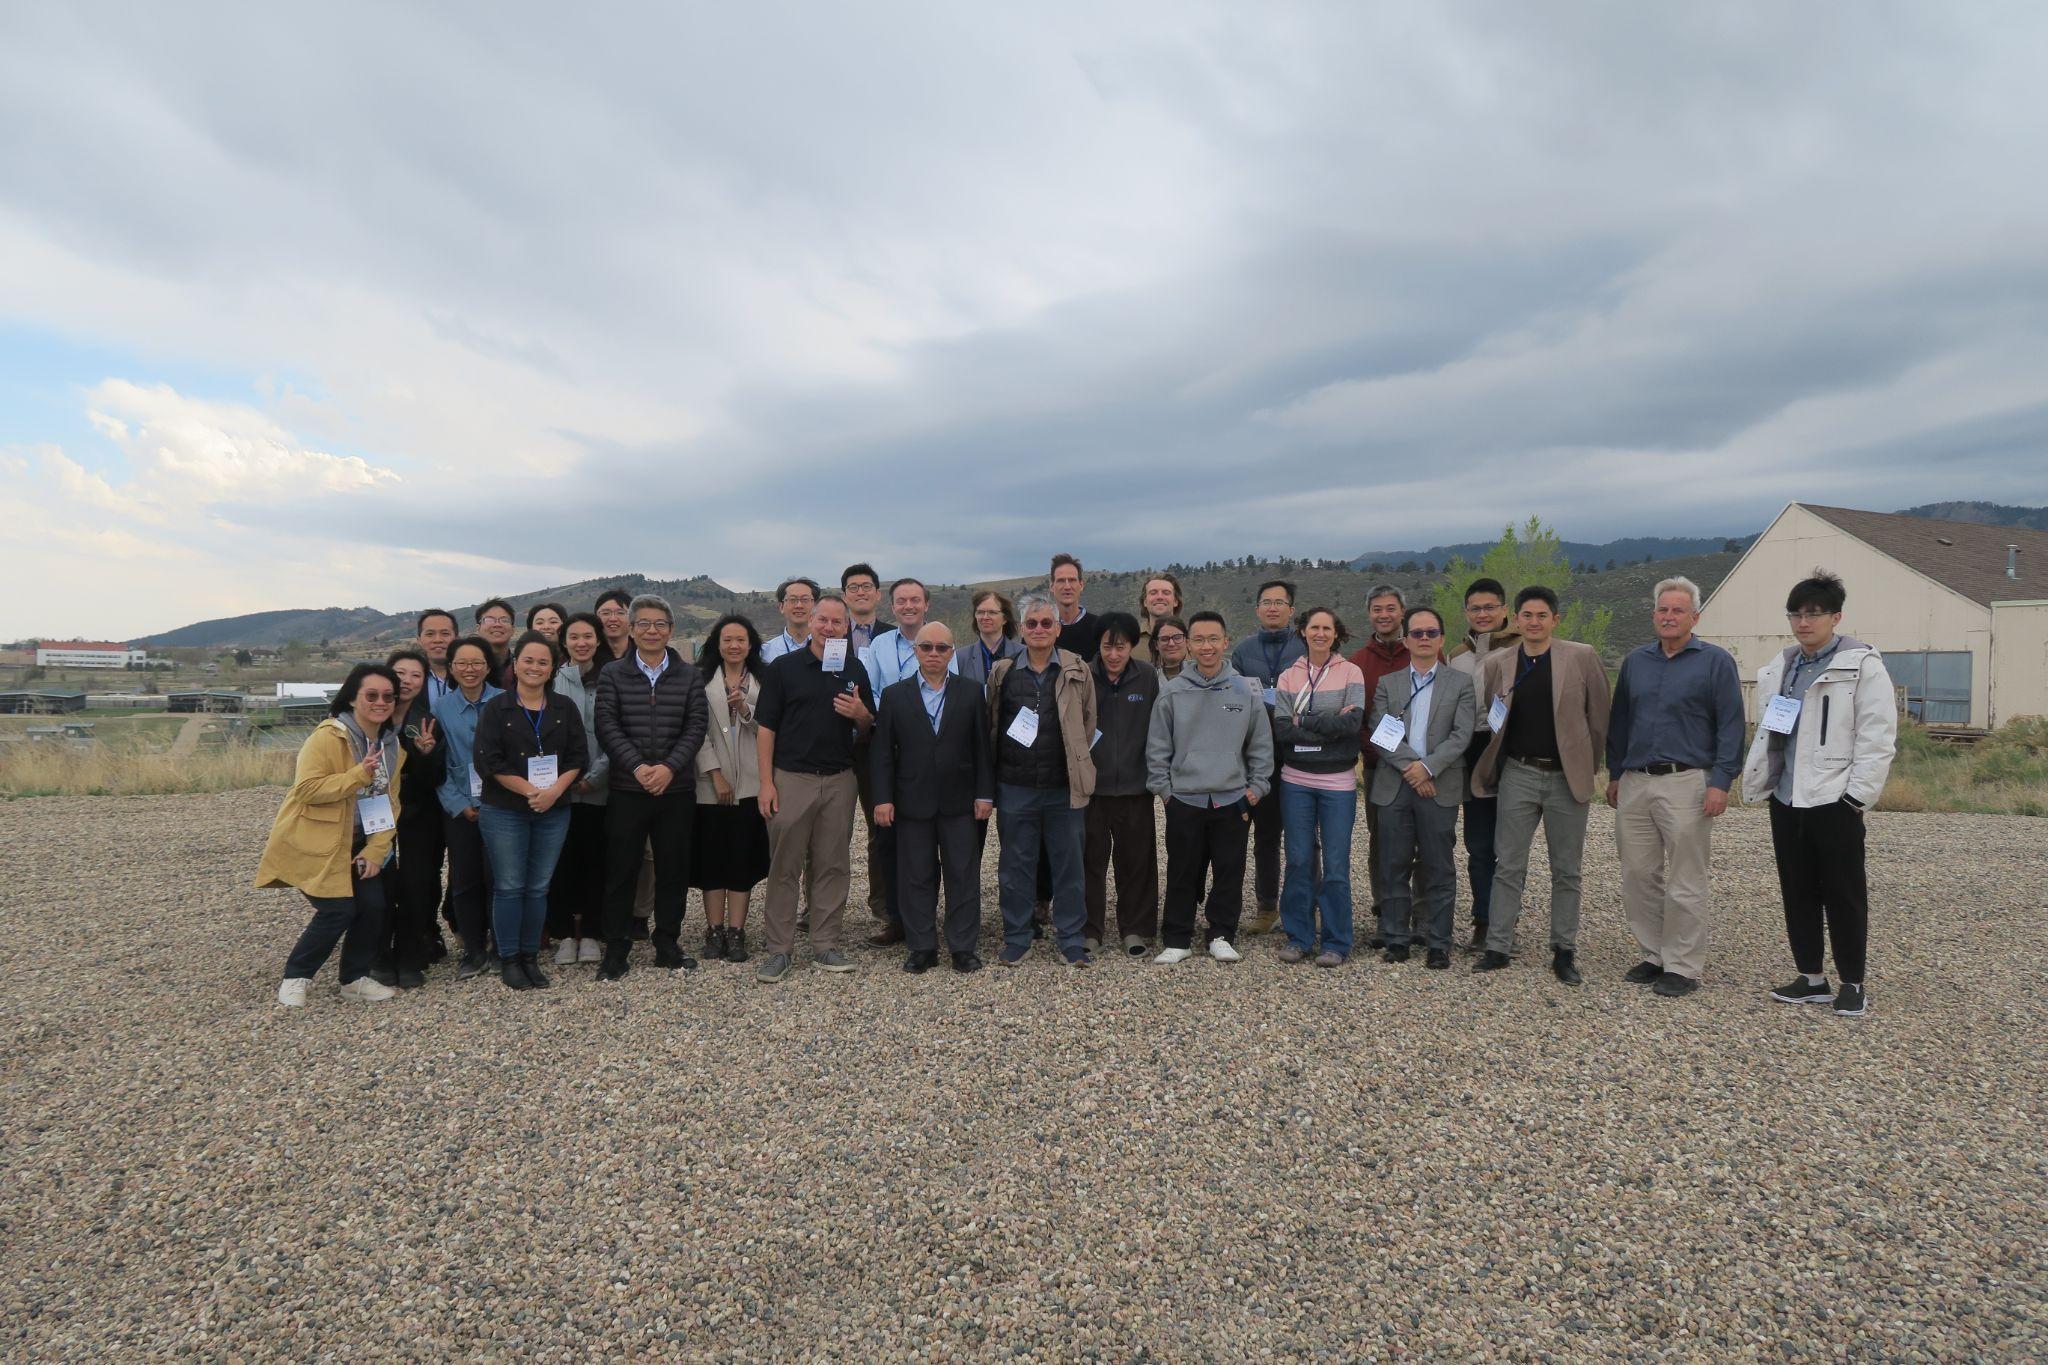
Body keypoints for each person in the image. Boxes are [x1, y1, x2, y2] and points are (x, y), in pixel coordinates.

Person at [1744, 570, 1897, 1019]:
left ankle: (1852, 982)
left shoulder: (1862, 666)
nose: (1804, 622)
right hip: (1788, 798)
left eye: (1814, 613)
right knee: (1797, 889)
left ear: (1836, 616)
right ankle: (1811, 977)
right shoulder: (1784, 667)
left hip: (1834, 800)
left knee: (1844, 893)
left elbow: (1878, 737)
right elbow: (1773, 733)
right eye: (1796, 613)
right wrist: (1766, 782)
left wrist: (1855, 799)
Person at [1605, 577, 1745, 998]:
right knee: (1637, 873)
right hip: (1636, 781)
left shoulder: (1716, 662)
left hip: (1687, 782)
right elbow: (1620, 721)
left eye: (1677, 610)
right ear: (1654, 615)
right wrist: (1614, 773)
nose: (1668, 617)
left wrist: (1721, 781)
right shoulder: (1636, 662)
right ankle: (1653, 955)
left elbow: (1731, 725)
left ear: (1695, 617)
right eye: (1662, 610)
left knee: (1686, 877)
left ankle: (1682, 965)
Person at [1470, 586, 1611, 984]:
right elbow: (1496, 718)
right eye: (1527, 615)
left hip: (1567, 777)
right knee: (1508, 864)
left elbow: (1599, 719)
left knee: (1566, 869)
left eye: (1542, 615)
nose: (1534, 622)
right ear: (1516, 620)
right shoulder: (1499, 663)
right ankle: (1498, 946)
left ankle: (1563, 950)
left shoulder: (1581, 657)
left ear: (1555, 620)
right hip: (1518, 773)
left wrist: (1588, 764)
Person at [259, 663, 406, 1006]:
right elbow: (307, 789)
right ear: (353, 698)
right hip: (321, 842)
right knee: (338, 910)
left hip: (360, 841)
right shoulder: (329, 736)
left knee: (373, 907)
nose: (380, 702)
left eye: (388, 696)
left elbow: (390, 803)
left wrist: (375, 850)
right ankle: (296, 976)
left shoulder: (391, 746)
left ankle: (353, 979)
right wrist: (359, 774)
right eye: (371, 695)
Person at [754, 593, 875, 982]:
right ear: (813, 622)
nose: (828, 627)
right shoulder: (784, 669)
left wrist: (861, 715)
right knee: (785, 866)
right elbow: (766, 728)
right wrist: (766, 783)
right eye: (822, 620)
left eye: (836, 622)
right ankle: (779, 950)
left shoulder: (855, 669)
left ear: (846, 627)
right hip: (792, 779)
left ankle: (825, 945)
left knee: (833, 866)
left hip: (840, 781)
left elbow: (868, 727)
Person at [1146, 610, 1274, 965]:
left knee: (1229, 869)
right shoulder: (1172, 692)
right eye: (1199, 639)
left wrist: (1256, 787)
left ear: (1225, 642)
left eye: (1213, 639)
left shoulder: (1245, 688)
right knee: (1182, 869)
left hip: (1232, 799)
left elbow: (1260, 745)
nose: (1206, 646)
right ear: (1188, 645)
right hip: (1184, 798)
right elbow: (1158, 748)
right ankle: (1177, 937)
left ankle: (1221, 934)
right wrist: (1165, 791)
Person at [593, 594, 709, 980]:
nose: (652, 631)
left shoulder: (690, 675)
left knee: (674, 869)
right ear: (630, 628)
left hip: (675, 790)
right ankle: (617, 949)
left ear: (671, 630)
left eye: (660, 624)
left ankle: (668, 943)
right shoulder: (613, 673)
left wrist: (669, 769)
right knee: (620, 870)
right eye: (643, 623)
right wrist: (640, 767)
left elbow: (696, 727)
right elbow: (607, 726)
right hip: (628, 787)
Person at [873, 621, 995, 973]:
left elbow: (981, 749)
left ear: (951, 652)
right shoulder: (895, 696)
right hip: (912, 801)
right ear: (916, 651)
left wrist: (984, 794)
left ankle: (962, 947)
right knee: (916, 876)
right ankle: (922, 947)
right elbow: (882, 754)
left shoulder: (971, 692)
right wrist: (883, 799)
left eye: (942, 648)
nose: (934, 654)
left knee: (963, 875)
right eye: (927, 647)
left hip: (960, 802)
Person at [985, 590, 1098, 966]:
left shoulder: (1077, 670)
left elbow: (1088, 722)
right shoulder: (1002, 672)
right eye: (1031, 623)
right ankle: (1017, 937)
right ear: (1020, 629)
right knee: (1015, 867)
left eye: (1046, 622)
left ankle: (1070, 939)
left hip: (1063, 788)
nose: (1038, 629)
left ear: (1058, 628)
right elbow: (994, 724)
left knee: (1069, 866)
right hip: (1015, 787)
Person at [473, 631, 588, 990]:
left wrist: (553, 792)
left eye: (543, 661)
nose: (535, 667)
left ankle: (529, 957)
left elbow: (578, 757)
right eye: (528, 660)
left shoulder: (564, 708)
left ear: (553, 667)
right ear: (516, 663)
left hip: (553, 809)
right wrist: (531, 791)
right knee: (509, 886)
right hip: (505, 810)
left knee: (538, 887)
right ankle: (508, 958)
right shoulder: (497, 707)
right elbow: (487, 761)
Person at [1368, 607, 1477, 969]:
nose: (1424, 639)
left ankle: (1437, 942)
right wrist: (1412, 769)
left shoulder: (1460, 684)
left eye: (1431, 632)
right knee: (1393, 864)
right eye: (1417, 633)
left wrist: (1428, 768)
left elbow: (1461, 735)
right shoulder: (1389, 684)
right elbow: (1381, 734)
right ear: (1406, 640)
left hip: (1439, 785)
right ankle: (1397, 938)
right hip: (1395, 785)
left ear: (1442, 638)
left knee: (1438, 867)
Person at [861, 577, 955, 943]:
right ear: (893, 606)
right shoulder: (879, 646)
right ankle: (898, 919)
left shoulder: (944, 643)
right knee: (890, 838)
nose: (909, 606)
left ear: (926, 604)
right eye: (902, 600)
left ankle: (932, 918)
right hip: (890, 747)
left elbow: (952, 694)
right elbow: (869, 693)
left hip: (932, 753)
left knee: (932, 835)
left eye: (915, 599)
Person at [1272, 608, 1366, 966]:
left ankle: (1337, 941)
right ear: (1303, 632)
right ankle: (1298, 937)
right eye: (1315, 627)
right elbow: (1282, 728)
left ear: (1336, 633)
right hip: (1295, 780)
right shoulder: (1289, 676)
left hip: (1338, 783)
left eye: (1327, 627)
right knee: (1298, 860)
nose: (1321, 633)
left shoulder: (1351, 672)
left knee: (1336, 864)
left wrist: (1304, 722)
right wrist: (1327, 724)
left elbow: (1353, 722)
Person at [692, 614, 771, 963]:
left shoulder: (765, 681)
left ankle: (737, 931)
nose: (734, 645)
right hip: (711, 786)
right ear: (717, 644)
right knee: (712, 860)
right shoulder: (700, 680)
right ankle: (714, 929)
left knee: (741, 859)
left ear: (750, 644)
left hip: (752, 785)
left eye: (740, 639)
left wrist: (746, 709)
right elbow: (696, 731)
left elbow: (770, 728)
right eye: (728, 640)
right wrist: (715, 773)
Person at [1445, 577, 1517, 951]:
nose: (1483, 614)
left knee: (1511, 844)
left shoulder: (1522, 649)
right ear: (1466, 613)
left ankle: (1507, 923)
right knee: (1478, 843)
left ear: (1505, 610)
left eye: (1491, 607)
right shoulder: (1455, 654)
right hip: (1470, 750)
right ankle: (1484, 920)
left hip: (1511, 751)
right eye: (1476, 608)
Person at [1231, 579, 1306, 934]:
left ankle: (1307, 903)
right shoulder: (1244, 652)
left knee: (1306, 836)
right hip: (1258, 756)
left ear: (1292, 610)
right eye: (1266, 602)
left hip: (1301, 754)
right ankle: (1266, 906)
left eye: (1280, 602)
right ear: (1257, 609)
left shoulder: (1306, 646)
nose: (1273, 607)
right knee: (1264, 836)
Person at [1085, 612, 1160, 956]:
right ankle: (1090, 930)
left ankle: (1136, 929)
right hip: (1091, 791)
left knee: (1136, 864)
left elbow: (1158, 730)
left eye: (1121, 647)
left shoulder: (1147, 678)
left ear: (1133, 646)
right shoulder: (1082, 675)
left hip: (1135, 788)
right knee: (1089, 863)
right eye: (1107, 647)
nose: (1113, 655)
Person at [430, 637, 503, 979]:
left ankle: (502, 947)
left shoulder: (506, 702)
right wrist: (458, 805)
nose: (469, 670)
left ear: (488, 667)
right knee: (465, 878)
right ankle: (474, 950)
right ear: (452, 667)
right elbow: (438, 765)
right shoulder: (441, 709)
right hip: (460, 808)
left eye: (477, 663)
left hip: (503, 805)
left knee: (501, 878)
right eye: (462, 663)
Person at [546, 612, 611, 968]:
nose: (582, 643)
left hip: (601, 788)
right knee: (562, 862)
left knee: (595, 861)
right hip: (560, 789)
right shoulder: (553, 679)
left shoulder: (611, 678)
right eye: (574, 637)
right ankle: (563, 934)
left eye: (588, 636)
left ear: (598, 640)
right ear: (565, 642)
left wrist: (596, 775)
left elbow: (614, 731)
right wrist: (566, 779)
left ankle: (591, 933)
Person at [1347, 585, 1411, 941]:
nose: (1383, 614)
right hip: (1378, 766)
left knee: (1422, 840)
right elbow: (1357, 717)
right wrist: (1373, 753)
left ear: (1402, 611)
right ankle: (1385, 906)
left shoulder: (1423, 652)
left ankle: (1418, 909)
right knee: (1381, 840)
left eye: (1390, 608)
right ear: (1369, 613)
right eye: (1376, 609)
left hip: (1423, 768)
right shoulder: (1358, 662)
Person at [379, 648, 444, 988]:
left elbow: (434, 779)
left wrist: (427, 756)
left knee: (418, 881)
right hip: (374, 813)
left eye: (416, 675)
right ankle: (379, 952)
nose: (406, 680)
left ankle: (410, 953)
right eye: (400, 672)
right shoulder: (370, 716)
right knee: (379, 881)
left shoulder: (427, 722)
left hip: (419, 810)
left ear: (424, 682)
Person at [958, 590, 1025, 684]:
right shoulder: (960, 658)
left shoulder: (1023, 654)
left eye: (992, 612)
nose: (985, 617)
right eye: (980, 612)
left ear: (1005, 618)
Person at [1049, 553, 1105, 661]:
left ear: (1081, 585)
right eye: (1061, 580)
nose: (1067, 586)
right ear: (1052, 586)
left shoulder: (1100, 627)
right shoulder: (1040, 629)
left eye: (1072, 580)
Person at [759, 577, 820, 662]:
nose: (799, 605)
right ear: (782, 607)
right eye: (793, 600)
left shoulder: (828, 649)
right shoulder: (766, 652)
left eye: (805, 600)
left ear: (815, 607)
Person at [415, 609, 458, 703]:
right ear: (419, 640)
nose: (437, 640)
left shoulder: (471, 673)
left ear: (456, 639)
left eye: (445, 634)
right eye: (430, 634)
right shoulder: (409, 678)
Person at [840, 563, 883, 655]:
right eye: (853, 588)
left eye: (866, 587)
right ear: (844, 597)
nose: (860, 592)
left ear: (878, 594)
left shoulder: (893, 635)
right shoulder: (834, 634)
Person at [474, 598, 516, 682]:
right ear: (478, 628)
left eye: (504, 620)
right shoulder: (468, 667)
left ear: (513, 629)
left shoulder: (521, 665)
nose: (497, 624)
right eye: (490, 620)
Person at [595, 588, 634, 663]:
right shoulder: (587, 655)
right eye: (606, 613)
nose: (613, 619)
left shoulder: (644, 654)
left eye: (620, 613)